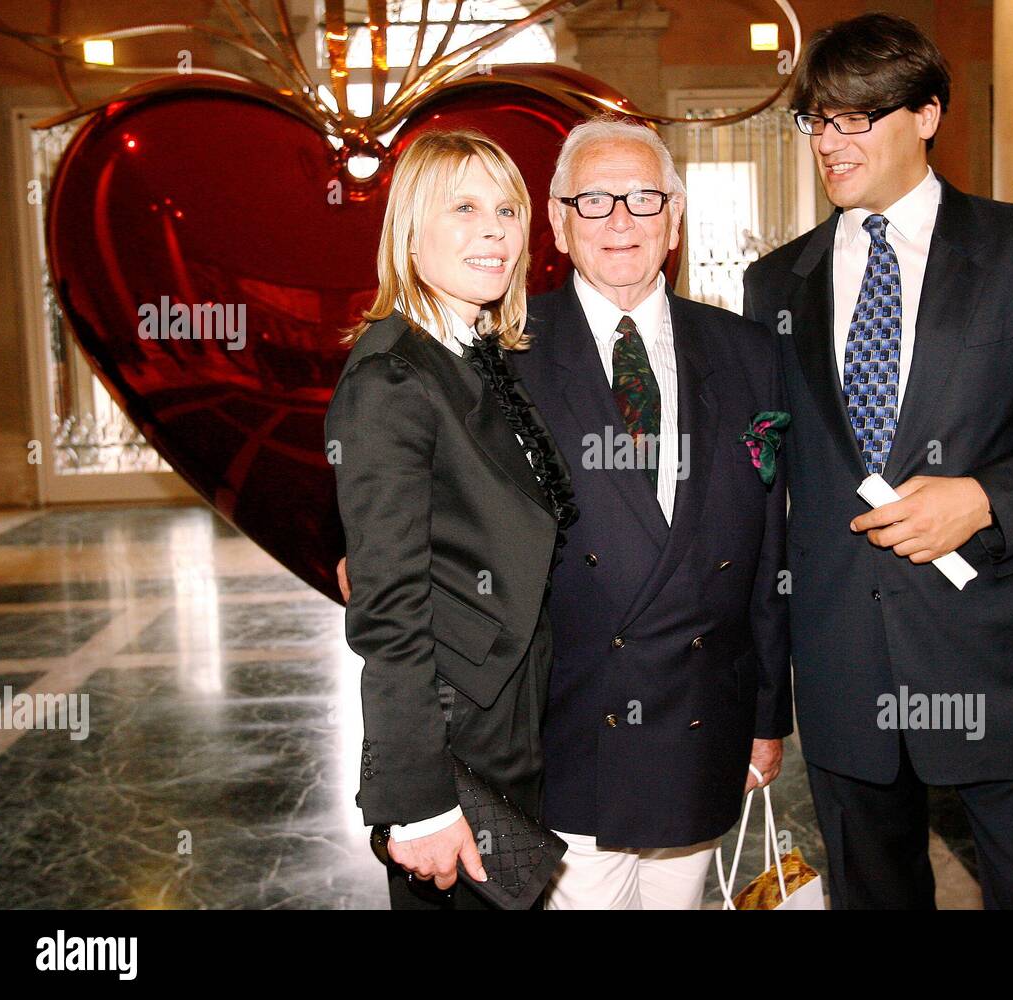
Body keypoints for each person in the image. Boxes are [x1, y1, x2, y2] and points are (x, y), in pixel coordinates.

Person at [743, 14, 1013, 909]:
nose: (830, 141)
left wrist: (985, 499)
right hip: (845, 669)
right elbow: (772, 483)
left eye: (857, 118)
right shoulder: (775, 282)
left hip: (1001, 658)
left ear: (927, 115)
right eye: (818, 119)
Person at [510, 116, 792, 909]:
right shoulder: (505, 355)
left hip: (702, 723)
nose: (622, 221)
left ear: (675, 216)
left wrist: (767, 716)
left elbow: (770, 554)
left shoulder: (748, 352)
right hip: (569, 729)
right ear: (559, 223)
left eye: (643, 198)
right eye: (594, 202)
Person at [326, 129, 575, 910]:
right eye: (464, 207)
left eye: (507, 208)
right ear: (410, 228)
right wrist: (421, 800)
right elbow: (388, 612)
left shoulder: (470, 352)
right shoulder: (392, 379)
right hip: (455, 739)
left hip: (507, 718)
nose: (495, 229)